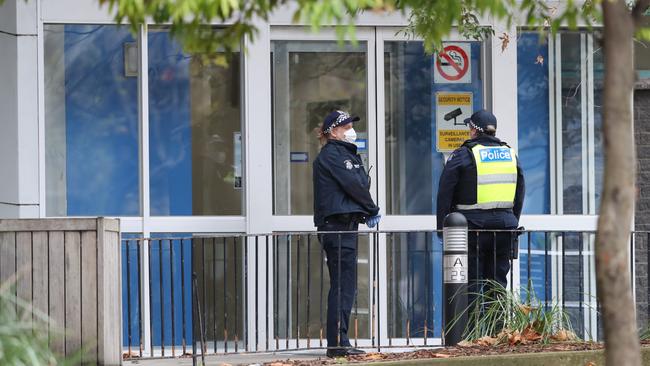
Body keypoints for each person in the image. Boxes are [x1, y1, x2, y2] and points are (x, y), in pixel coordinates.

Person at [313, 110, 381, 358]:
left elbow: (360, 182)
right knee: (343, 287)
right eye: (345, 126)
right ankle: (337, 344)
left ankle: (341, 341)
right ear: (332, 131)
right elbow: (355, 185)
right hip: (337, 228)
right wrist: (372, 208)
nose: (350, 129)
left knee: (346, 286)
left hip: (346, 227)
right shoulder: (333, 155)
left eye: (351, 125)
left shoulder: (346, 154)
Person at [437, 109, 525, 297]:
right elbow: (520, 191)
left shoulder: (463, 154)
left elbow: (445, 192)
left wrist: (442, 229)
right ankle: (499, 327)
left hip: (472, 230)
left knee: (471, 288)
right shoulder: (510, 154)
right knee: (498, 288)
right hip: (504, 229)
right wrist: (511, 220)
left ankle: (472, 327)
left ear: (474, 130)